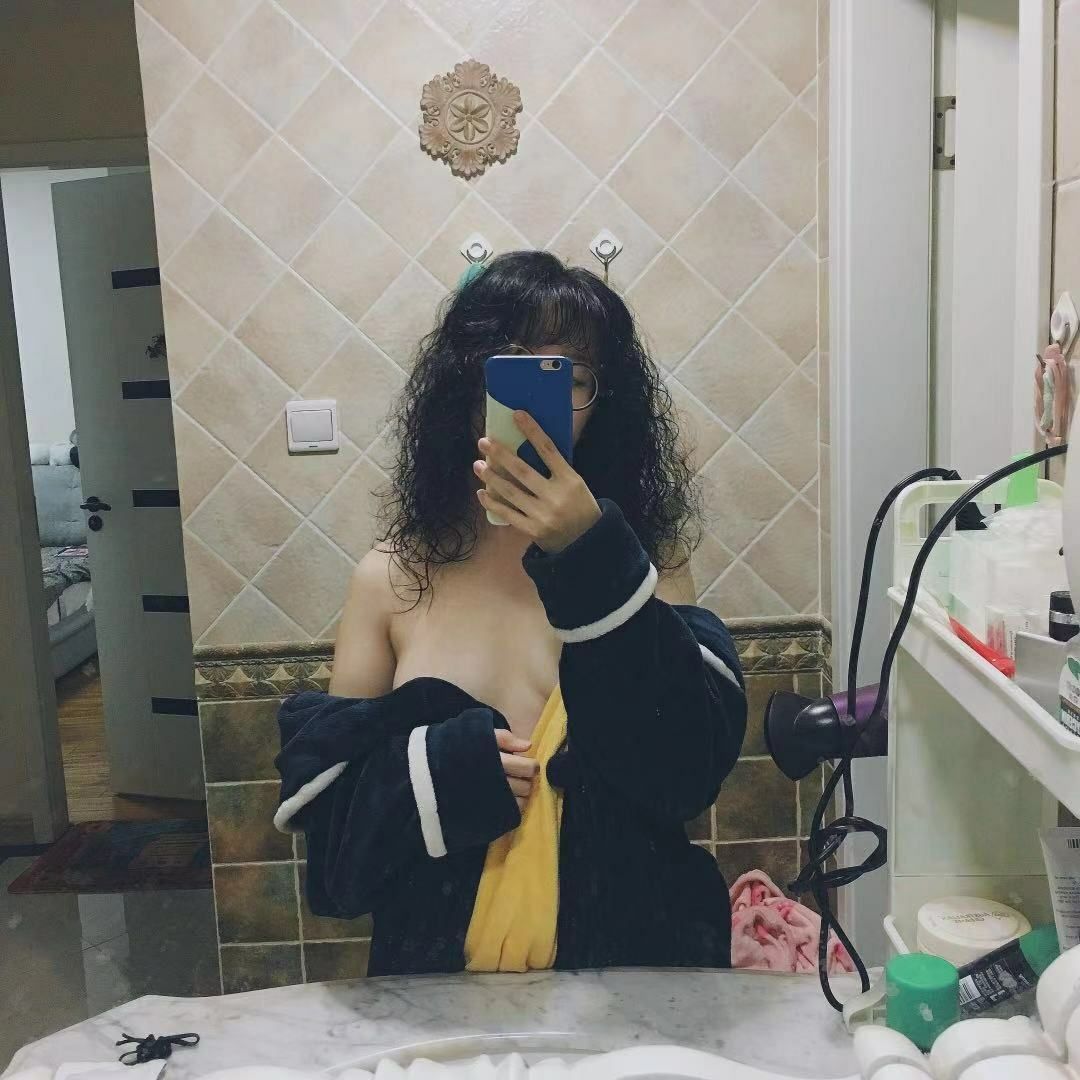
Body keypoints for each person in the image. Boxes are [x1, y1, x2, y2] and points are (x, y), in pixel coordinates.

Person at [275, 251, 747, 976]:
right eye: (511, 370)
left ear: (604, 401)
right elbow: (336, 864)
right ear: (464, 384)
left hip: (628, 990)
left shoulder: (646, 568)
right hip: (442, 999)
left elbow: (685, 777)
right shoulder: (390, 580)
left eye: (572, 377)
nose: (536, 403)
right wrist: (444, 774)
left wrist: (591, 557)